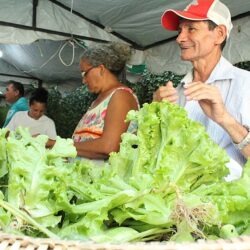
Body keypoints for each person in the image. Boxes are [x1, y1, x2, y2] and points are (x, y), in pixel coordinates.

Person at [153, 0, 250, 168]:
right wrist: (155, 113)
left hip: (229, 192)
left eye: (191, 29)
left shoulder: (245, 83)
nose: (179, 38)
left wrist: (225, 119)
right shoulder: (176, 92)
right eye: (180, 30)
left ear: (219, 34)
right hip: (179, 192)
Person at [72, 42, 139, 161]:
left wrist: (60, 146)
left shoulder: (121, 95)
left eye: (84, 73)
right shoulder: (98, 101)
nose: (83, 80)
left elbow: (109, 147)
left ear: (101, 69)